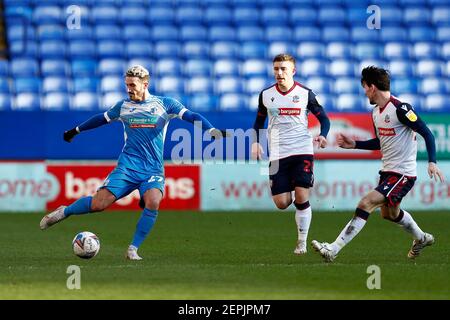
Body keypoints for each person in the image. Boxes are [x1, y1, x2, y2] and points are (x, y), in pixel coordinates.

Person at [40, 65, 227, 260]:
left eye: (132, 85)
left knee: (154, 201)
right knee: (98, 205)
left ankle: (133, 249)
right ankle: (65, 211)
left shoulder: (166, 104)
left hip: (153, 167)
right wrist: (75, 130)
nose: (129, 89)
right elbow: (101, 119)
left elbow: (192, 116)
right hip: (128, 166)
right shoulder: (123, 106)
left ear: (145, 84)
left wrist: (210, 130)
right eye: (126, 85)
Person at [312, 66, 445, 262]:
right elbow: (381, 142)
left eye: (365, 87)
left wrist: (432, 162)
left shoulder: (401, 108)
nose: (364, 92)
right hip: (388, 171)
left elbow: (427, 133)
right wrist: (355, 144)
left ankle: (333, 249)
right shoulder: (376, 113)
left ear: (372, 87)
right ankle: (422, 238)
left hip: (403, 173)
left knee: (366, 203)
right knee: (390, 214)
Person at [251, 54, 330, 255]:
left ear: (293, 71)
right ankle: (295, 193)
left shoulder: (305, 94)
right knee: (282, 203)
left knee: (301, 196)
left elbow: (324, 118)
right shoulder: (266, 95)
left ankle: (301, 243)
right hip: (277, 153)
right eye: (276, 69)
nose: (279, 73)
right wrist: (255, 142)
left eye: (283, 69)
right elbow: (259, 122)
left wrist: (323, 135)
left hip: (302, 149)